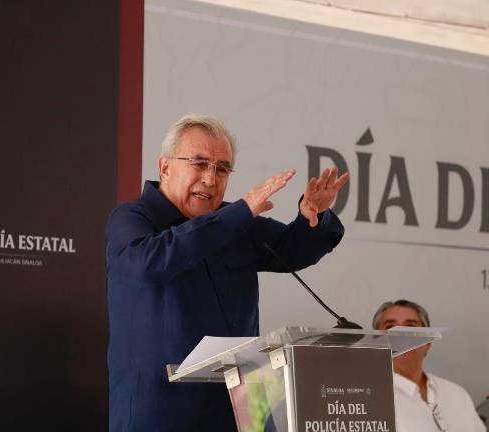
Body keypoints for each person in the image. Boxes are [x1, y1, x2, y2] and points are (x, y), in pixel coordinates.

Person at [106, 113, 349, 431]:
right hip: (163, 408)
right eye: (199, 163)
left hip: (246, 403)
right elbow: (148, 263)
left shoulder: (237, 221)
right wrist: (239, 213)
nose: (210, 178)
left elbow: (293, 250)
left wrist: (312, 216)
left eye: (222, 169)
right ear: (165, 167)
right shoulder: (132, 217)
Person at [373, 299, 485, 432]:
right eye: (390, 328)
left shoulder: (457, 394)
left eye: (411, 327)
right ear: (375, 344)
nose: (401, 335)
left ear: (428, 342)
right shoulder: (368, 397)